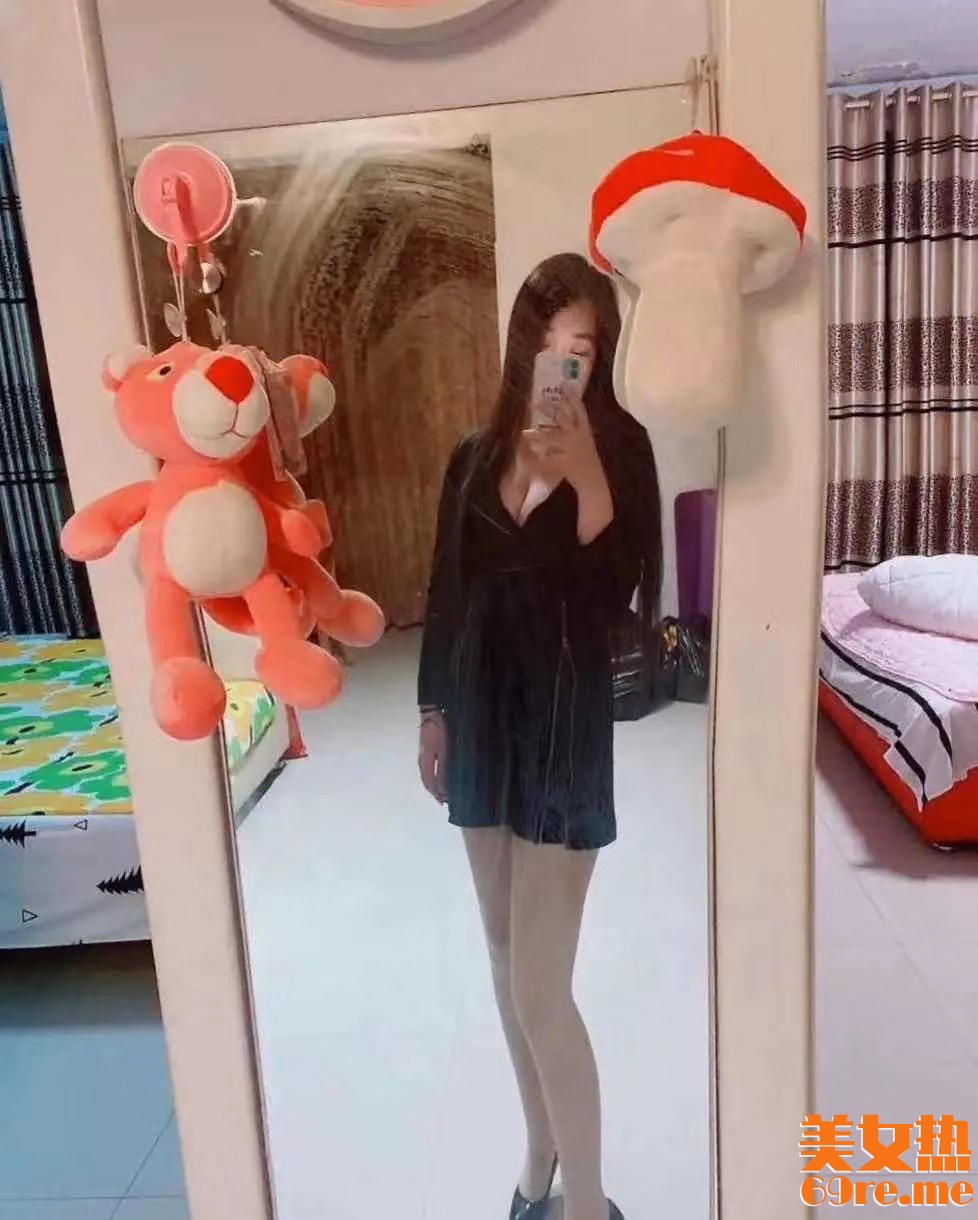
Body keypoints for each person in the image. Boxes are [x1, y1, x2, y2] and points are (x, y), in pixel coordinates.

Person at [417, 252, 662, 1220]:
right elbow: (446, 592)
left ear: (601, 359)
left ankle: (588, 1205)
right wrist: (432, 711)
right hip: (481, 716)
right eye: (549, 342)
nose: (563, 364)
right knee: (499, 954)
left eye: (582, 350)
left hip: (563, 724)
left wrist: (587, 475)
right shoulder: (474, 456)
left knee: (541, 987)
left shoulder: (625, 451)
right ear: (522, 344)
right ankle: (537, 1154)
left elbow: (619, 598)